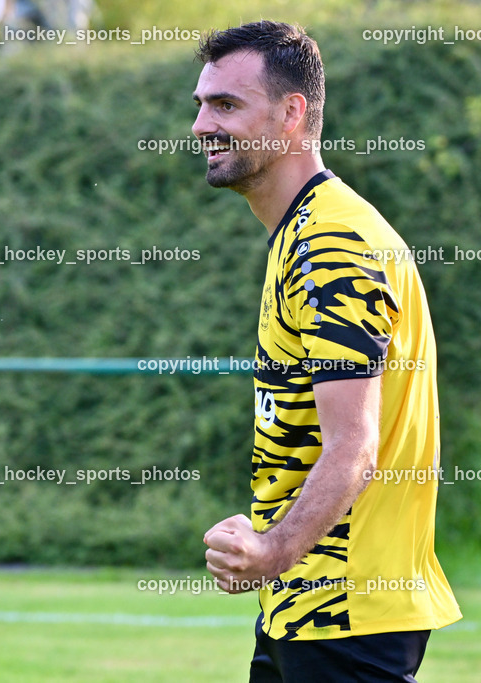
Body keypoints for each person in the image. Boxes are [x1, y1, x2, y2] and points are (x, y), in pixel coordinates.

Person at [192, 21, 461, 682]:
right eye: (200, 104)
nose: (201, 125)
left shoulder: (331, 243)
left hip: (344, 608)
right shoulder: (305, 232)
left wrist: (272, 548)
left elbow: (354, 443)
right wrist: (267, 538)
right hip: (304, 600)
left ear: (291, 114)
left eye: (226, 105)